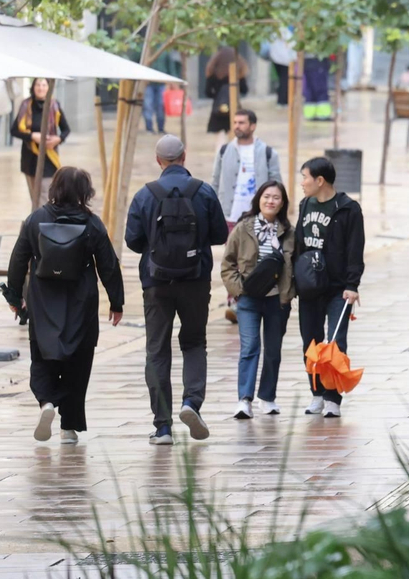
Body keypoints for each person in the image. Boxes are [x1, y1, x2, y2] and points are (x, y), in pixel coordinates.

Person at [3, 168, 124, 444]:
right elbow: (108, 265)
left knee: (42, 358)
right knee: (78, 363)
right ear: (85, 192)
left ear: (54, 188)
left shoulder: (35, 220)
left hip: (43, 302)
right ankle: (68, 427)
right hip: (80, 302)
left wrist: (14, 299)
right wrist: (116, 301)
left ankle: (46, 402)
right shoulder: (92, 224)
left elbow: (17, 261)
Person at [125, 135, 229, 444]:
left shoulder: (145, 195)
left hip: (156, 283)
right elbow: (221, 234)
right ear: (185, 157)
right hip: (195, 280)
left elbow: (132, 241)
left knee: (157, 350)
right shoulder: (204, 191)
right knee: (194, 343)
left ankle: (163, 427)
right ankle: (191, 403)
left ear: (158, 161)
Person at [294, 156, 367, 417]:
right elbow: (299, 246)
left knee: (336, 343)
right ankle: (316, 394)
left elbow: (355, 248)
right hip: (310, 287)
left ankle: (332, 398)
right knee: (310, 342)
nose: (302, 183)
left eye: (305, 177)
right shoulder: (304, 205)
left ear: (320, 180)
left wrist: (352, 284)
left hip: (338, 289)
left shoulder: (348, 209)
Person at [220, 179, 295, 419]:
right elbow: (227, 264)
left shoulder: (289, 232)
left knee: (273, 350)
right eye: (266, 196)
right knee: (250, 347)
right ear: (258, 200)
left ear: (282, 203)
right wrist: (238, 290)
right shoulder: (244, 228)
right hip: (248, 299)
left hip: (277, 300)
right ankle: (244, 400)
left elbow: (294, 266)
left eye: (276, 197)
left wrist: (288, 293)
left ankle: (268, 398)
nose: (271, 201)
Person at [212, 110, 284, 231]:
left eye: (241, 123)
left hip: (259, 217)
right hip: (230, 216)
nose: (237, 126)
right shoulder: (224, 151)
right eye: (235, 122)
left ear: (252, 126)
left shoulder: (268, 152)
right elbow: (215, 182)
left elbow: (277, 186)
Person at [11, 77, 69, 202]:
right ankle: (37, 220)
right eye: (38, 85)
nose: (41, 88)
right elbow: (14, 130)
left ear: (49, 88)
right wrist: (32, 136)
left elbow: (66, 129)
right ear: (33, 87)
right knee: (34, 197)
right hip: (30, 158)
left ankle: (41, 220)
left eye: (44, 85)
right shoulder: (25, 105)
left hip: (49, 156)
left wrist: (58, 139)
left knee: (45, 195)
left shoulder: (54, 105)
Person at [205, 47, 249, 138]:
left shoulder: (213, 72)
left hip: (218, 110)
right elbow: (244, 90)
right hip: (233, 108)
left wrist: (219, 97)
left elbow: (207, 92)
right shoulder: (238, 72)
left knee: (220, 139)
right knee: (234, 137)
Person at [143, 51, 181, 133]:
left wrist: (173, 81)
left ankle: (161, 128)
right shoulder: (146, 49)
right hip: (148, 83)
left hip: (162, 83)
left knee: (161, 105)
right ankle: (149, 128)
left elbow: (171, 67)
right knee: (148, 105)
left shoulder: (165, 51)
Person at [267, 31, 296, 108]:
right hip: (285, 60)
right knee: (285, 81)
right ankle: (283, 101)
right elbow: (292, 45)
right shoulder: (286, 32)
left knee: (282, 80)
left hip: (276, 59)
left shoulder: (274, 32)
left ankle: (282, 100)